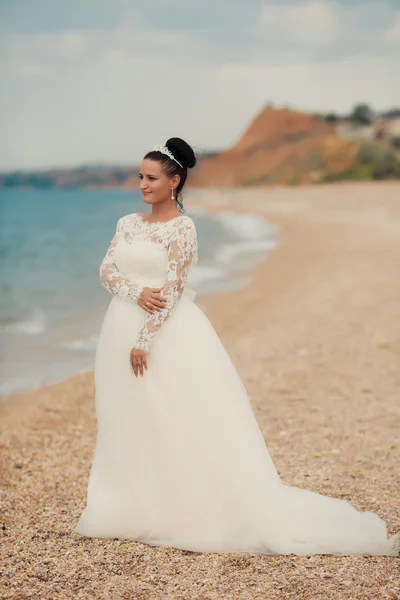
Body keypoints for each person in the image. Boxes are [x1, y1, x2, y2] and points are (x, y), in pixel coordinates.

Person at [75, 137, 399, 556]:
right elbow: (106, 270)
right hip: (118, 325)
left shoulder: (183, 227)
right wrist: (136, 293)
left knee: (170, 412)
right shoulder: (126, 223)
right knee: (126, 414)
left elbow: (174, 289)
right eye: (140, 176)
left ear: (174, 182)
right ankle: (126, 503)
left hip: (163, 335)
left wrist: (144, 340)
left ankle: (182, 505)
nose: (142, 184)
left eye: (151, 177)